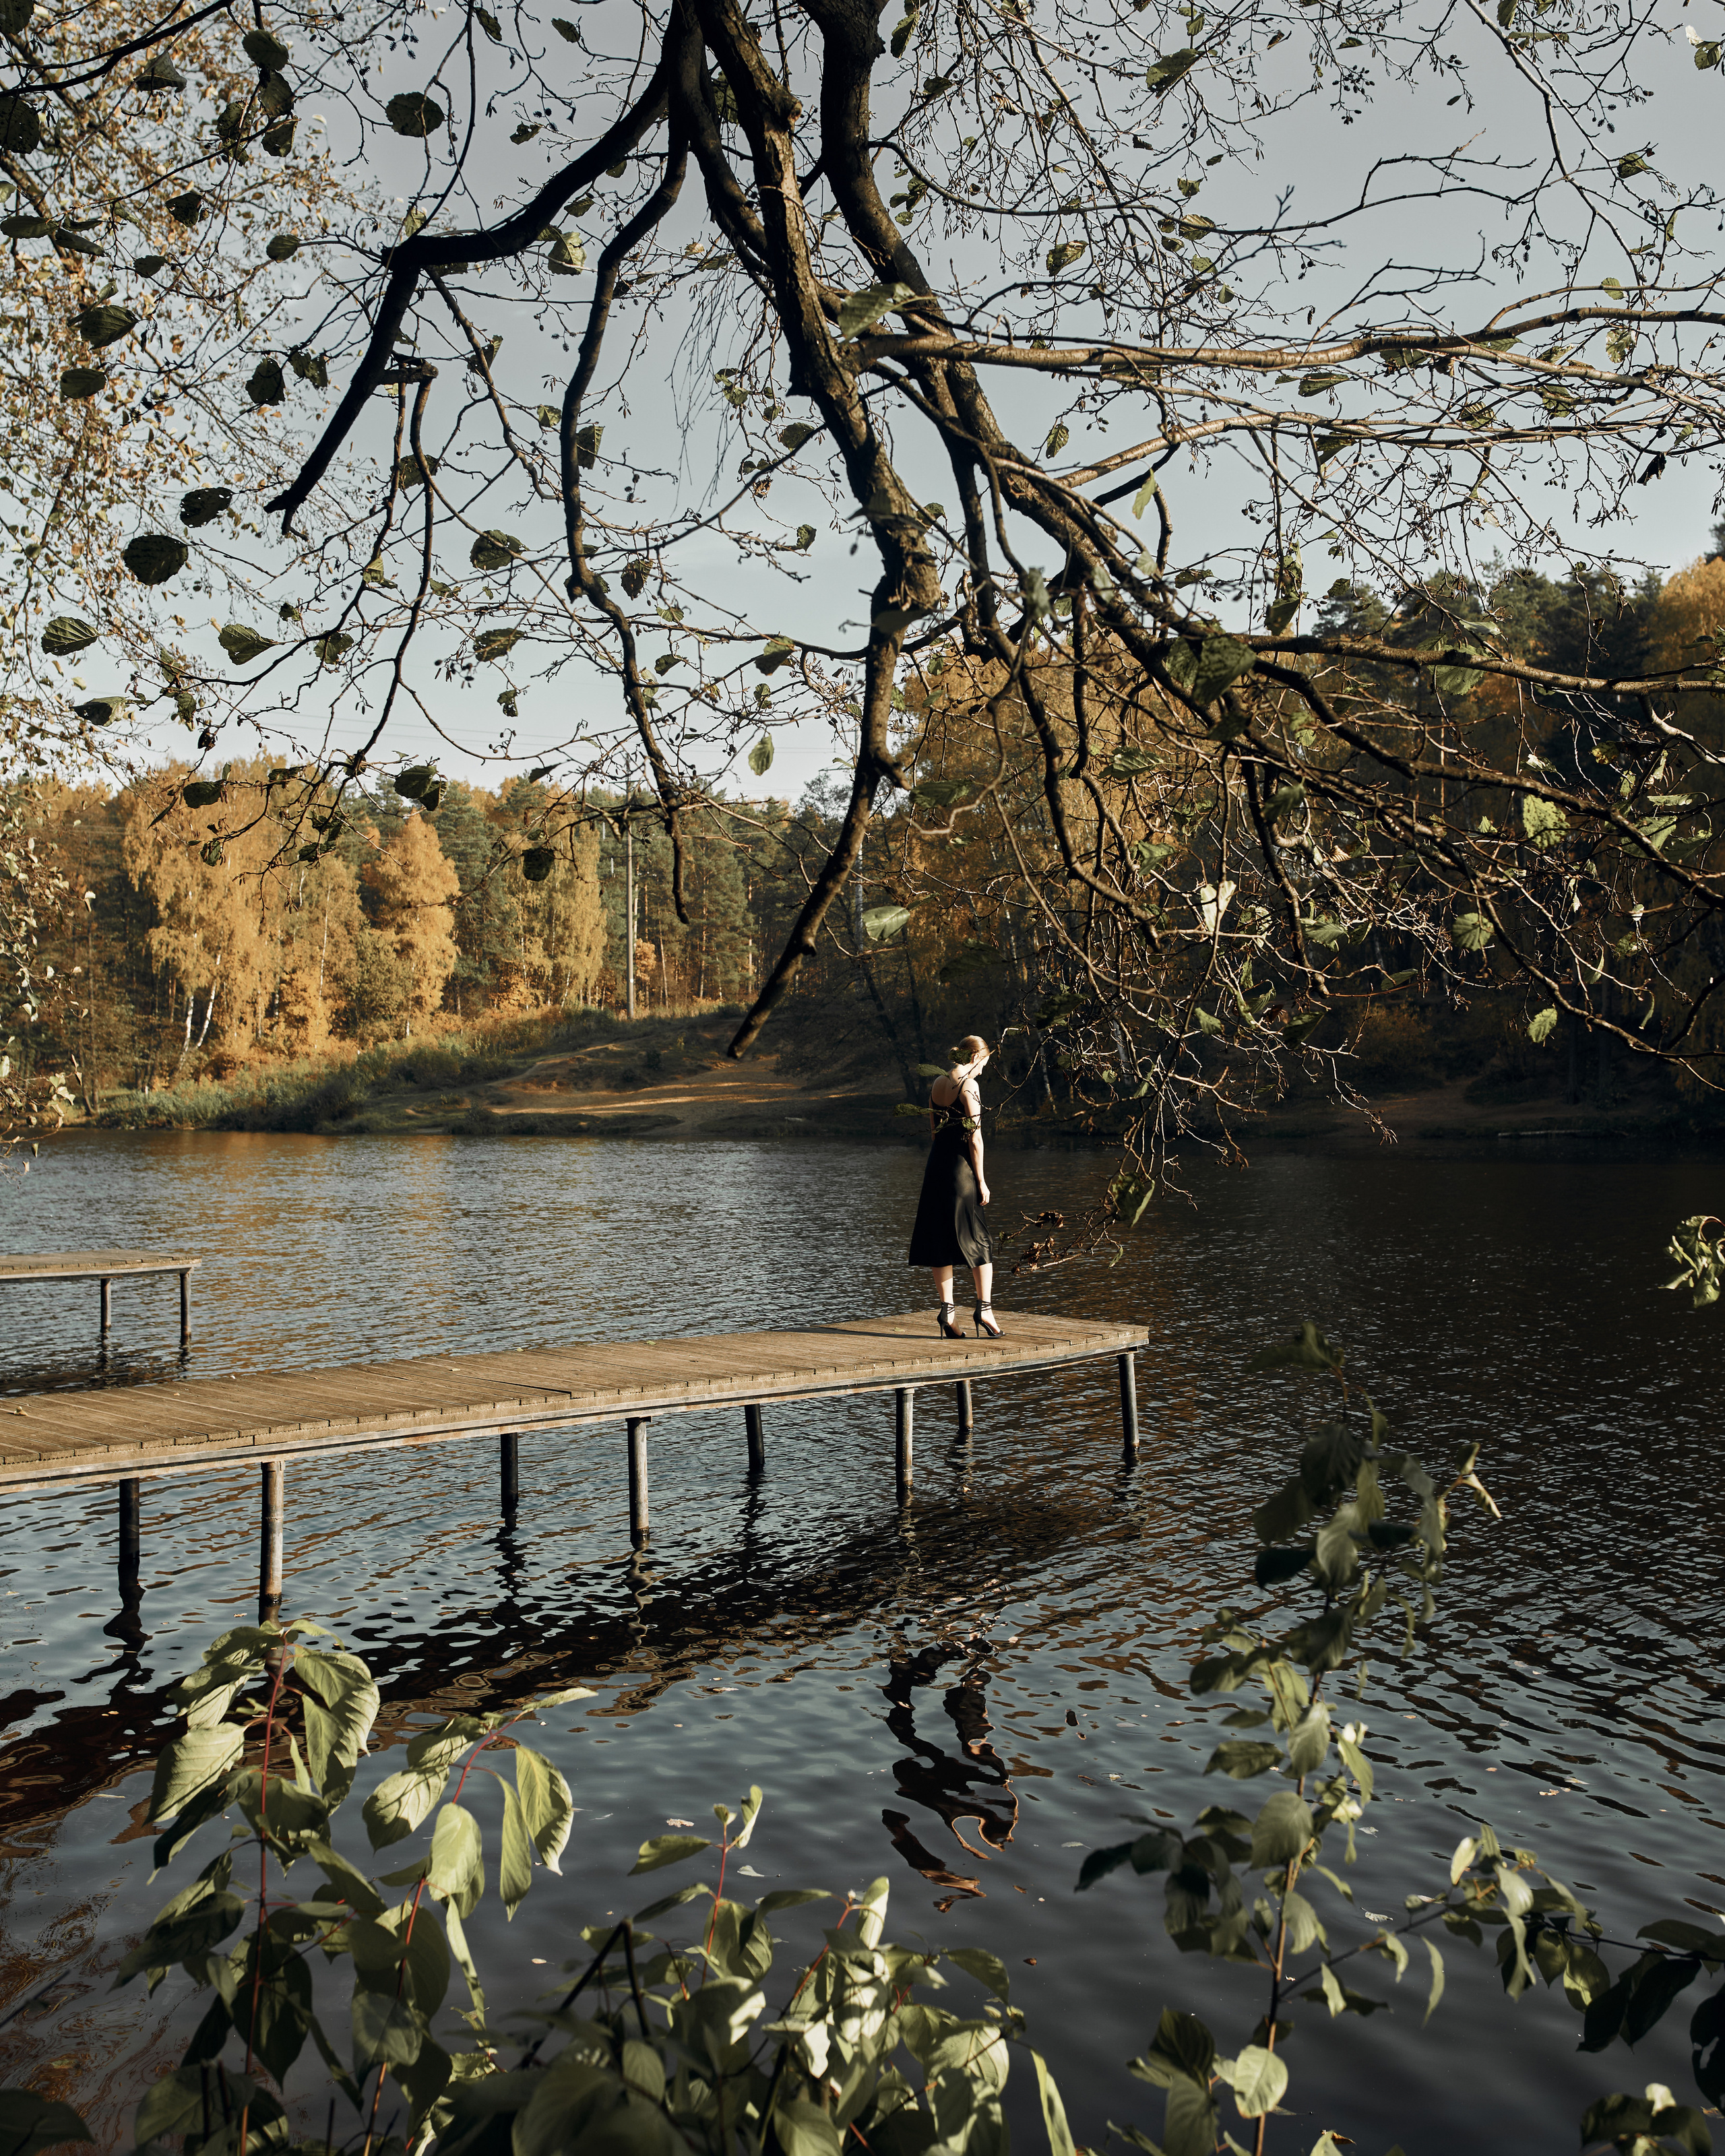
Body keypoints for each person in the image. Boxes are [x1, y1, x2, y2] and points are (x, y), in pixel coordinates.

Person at [906, 1034, 1001, 1338]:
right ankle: (984, 1308)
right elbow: (975, 1138)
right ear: (975, 1058)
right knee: (981, 1240)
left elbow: (935, 1134)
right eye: (985, 1063)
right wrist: (982, 1181)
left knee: (940, 1240)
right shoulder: (969, 1086)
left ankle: (948, 1312)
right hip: (961, 1172)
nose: (984, 1070)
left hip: (936, 1168)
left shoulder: (936, 1084)